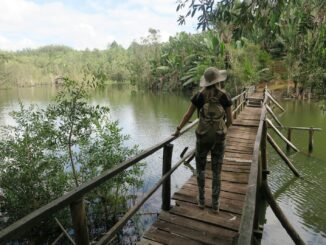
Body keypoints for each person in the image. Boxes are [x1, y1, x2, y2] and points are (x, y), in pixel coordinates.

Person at [173, 67, 233, 213]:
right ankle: (215, 204)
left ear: (205, 81)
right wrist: (221, 131)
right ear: (218, 80)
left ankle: (201, 201)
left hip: (202, 137)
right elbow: (230, 120)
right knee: (216, 172)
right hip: (219, 139)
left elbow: (187, 115)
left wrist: (178, 129)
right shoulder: (225, 96)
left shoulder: (199, 96)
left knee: (200, 170)